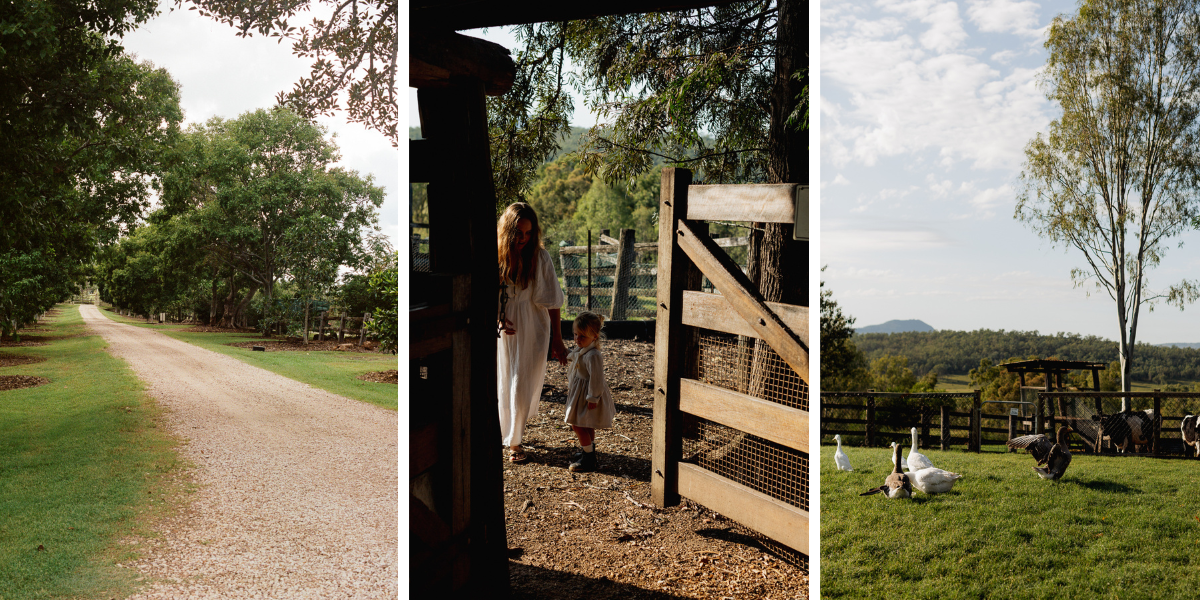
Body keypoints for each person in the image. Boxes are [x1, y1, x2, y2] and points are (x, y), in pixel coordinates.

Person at [497, 202, 568, 463]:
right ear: (507, 231)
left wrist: (557, 339)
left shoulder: (540, 257)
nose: (523, 238)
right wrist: (499, 320)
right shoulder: (498, 256)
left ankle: (515, 442)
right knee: (504, 378)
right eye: (518, 233)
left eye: (528, 233)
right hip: (505, 327)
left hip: (534, 324)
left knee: (522, 381)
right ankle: (505, 433)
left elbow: (552, 300)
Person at [563, 311, 615, 472]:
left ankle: (589, 458)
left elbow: (597, 378)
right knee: (585, 424)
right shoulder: (582, 349)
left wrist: (593, 398)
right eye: (575, 335)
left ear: (594, 336)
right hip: (580, 392)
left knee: (577, 425)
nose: (577, 339)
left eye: (582, 336)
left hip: (588, 394)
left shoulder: (593, 355)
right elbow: (573, 356)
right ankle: (588, 452)